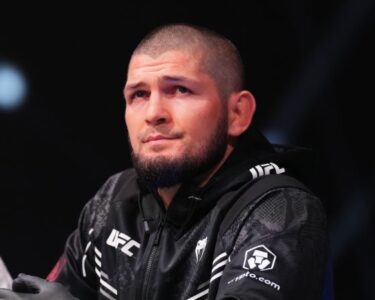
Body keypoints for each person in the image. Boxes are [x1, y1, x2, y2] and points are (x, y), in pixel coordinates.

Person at [0, 23, 328, 299]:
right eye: (139, 95)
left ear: (237, 113)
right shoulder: (114, 198)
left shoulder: (279, 210)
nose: (154, 113)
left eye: (180, 90)